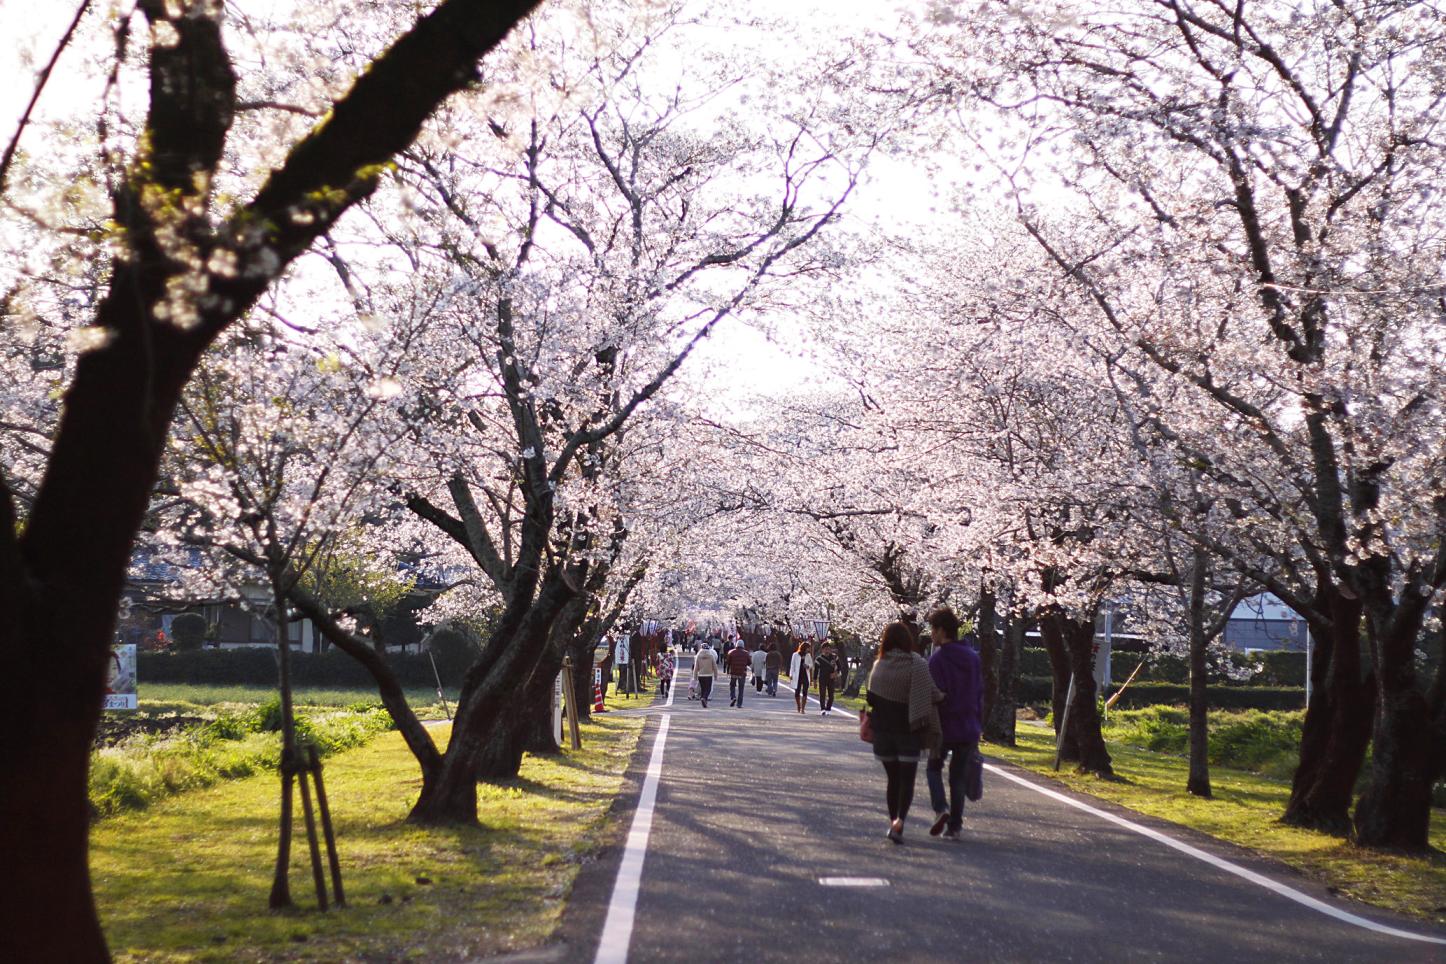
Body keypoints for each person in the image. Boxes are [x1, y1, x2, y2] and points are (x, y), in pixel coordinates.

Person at [866, 621, 942, 844]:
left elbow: (871, 698)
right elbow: (931, 693)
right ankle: (900, 822)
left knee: (893, 779)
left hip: (883, 732)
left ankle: (893, 821)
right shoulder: (917, 664)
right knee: (907, 780)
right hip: (909, 731)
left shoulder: (879, 665)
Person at [925, 609, 983, 840]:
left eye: (933, 630)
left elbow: (934, 693)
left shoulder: (938, 659)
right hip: (968, 726)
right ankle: (955, 827)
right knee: (957, 777)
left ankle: (941, 808)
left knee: (933, 768)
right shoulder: (973, 657)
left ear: (941, 631)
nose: (931, 635)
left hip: (943, 726)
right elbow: (980, 692)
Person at [789, 641, 814, 715]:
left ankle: (803, 708)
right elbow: (792, 665)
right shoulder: (795, 655)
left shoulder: (808, 655)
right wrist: (791, 674)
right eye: (807, 648)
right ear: (804, 648)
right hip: (797, 675)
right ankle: (798, 706)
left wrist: (808, 666)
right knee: (797, 692)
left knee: (805, 692)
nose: (808, 650)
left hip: (805, 675)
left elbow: (811, 664)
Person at [814, 643, 839, 716]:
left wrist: (835, 674)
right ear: (822, 650)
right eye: (825, 649)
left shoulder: (834, 657)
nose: (827, 650)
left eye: (828, 649)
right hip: (822, 678)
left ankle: (828, 708)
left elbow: (840, 667)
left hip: (831, 678)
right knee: (822, 694)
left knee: (831, 695)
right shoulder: (818, 659)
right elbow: (816, 671)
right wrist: (815, 681)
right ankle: (822, 709)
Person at [725, 640, 751, 707]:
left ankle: (733, 697)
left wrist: (727, 671)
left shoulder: (731, 652)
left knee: (732, 685)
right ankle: (739, 704)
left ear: (736, 645)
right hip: (742, 673)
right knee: (741, 688)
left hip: (733, 672)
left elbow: (728, 662)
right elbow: (749, 663)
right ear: (743, 646)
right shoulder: (746, 653)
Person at [693, 641, 717, 708]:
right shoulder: (711, 656)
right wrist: (716, 675)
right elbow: (714, 666)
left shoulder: (698, 656)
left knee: (703, 689)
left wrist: (694, 676)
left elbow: (696, 667)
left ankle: (704, 701)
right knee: (708, 689)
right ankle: (704, 698)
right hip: (709, 675)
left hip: (701, 675)